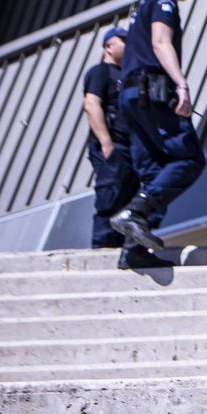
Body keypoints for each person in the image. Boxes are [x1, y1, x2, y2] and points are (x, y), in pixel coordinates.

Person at [110, 0, 207, 260]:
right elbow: (161, 42)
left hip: (131, 97)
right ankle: (135, 211)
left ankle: (134, 249)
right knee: (189, 159)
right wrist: (181, 83)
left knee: (152, 170)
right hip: (151, 91)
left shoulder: (142, 7)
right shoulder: (164, 2)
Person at [82, 26, 140, 261]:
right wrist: (106, 143)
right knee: (110, 196)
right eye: (123, 41)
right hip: (112, 146)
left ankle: (122, 248)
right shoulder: (100, 72)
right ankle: (102, 250)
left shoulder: (128, 76)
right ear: (108, 46)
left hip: (131, 147)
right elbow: (92, 105)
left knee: (127, 199)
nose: (129, 45)